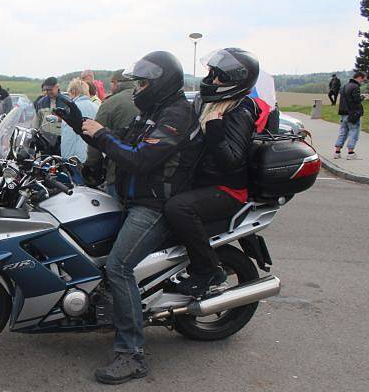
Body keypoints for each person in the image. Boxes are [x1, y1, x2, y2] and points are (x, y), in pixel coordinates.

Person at [63, 51, 201, 384]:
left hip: (154, 206)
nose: (137, 89)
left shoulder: (176, 116)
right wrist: (77, 124)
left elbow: (139, 160)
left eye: (142, 83)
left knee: (118, 266)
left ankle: (132, 354)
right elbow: (120, 142)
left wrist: (99, 134)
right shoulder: (152, 112)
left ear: (160, 83)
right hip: (132, 199)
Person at [164, 48, 263, 296]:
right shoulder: (211, 104)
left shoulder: (238, 111)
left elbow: (231, 160)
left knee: (179, 208)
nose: (210, 81)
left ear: (235, 81)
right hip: (205, 182)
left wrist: (216, 127)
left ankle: (209, 271)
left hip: (227, 190)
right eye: (211, 74)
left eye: (218, 76)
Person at [84, 70, 140, 196]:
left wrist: (92, 166)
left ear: (116, 83)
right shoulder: (147, 100)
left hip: (117, 173)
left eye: (112, 84)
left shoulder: (111, 103)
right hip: (147, 176)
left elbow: (95, 138)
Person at [33, 77, 72, 154]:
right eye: (46, 90)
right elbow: (37, 122)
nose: (48, 92)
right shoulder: (40, 103)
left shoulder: (67, 101)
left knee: (61, 164)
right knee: (44, 164)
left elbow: (72, 121)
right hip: (45, 141)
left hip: (63, 140)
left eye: (50, 89)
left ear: (57, 87)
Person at [62, 78, 97, 161]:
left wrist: (66, 159)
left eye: (69, 93)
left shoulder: (71, 110)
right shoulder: (97, 107)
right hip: (92, 156)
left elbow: (68, 138)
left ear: (73, 92)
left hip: (76, 159)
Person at [335, 71, 365, 160]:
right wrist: (362, 97)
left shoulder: (344, 86)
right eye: (363, 80)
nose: (362, 82)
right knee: (354, 133)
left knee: (343, 133)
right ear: (359, 77)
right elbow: (356, 101)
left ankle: (337, 152)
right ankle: (351, 153)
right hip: (352, 113)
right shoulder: (355, 87)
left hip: (343, 113)